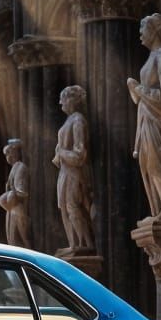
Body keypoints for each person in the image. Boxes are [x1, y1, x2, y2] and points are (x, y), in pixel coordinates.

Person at [128, 13, 161, 222]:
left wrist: (138, 88)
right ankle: (158, 210)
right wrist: (135, 89)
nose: (140, 33)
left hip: (159, 121)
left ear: (155, 30)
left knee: (158, 165)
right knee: (147, 167)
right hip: (146, 118)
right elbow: (138, 100)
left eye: (143, 28)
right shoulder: (151, 57)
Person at [53, 85, 96, 254]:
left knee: (73, 206)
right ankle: (74, 243)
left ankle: (85, 244)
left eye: (64, 98)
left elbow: (80, 154)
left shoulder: (78, 120)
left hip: (73, 171)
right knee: (64, 207)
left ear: (72, 100)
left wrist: (61, 152)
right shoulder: (69, 121)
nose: (61, 102)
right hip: (64, 170)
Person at [0, 138, 31, 248]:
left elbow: (22, 192)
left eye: (9, 154)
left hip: (17, 208)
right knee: (13, 242)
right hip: (11, 209)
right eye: (7, 155)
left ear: (15, 153)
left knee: (22, 241)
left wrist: (11, 195)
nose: (8, 157)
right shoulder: (14, 168)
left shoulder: (21, 167)